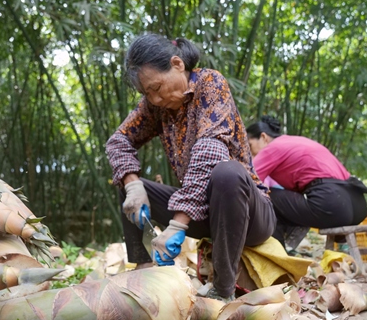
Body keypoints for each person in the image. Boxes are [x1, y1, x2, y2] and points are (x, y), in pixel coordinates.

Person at [105, 33, 276, 303]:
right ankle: (144, 273)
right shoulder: (155, 106)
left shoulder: (211, 83)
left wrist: (177, 224)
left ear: (177, 64)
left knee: (227, 173)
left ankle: (223, 290)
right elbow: (118, 141)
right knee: (128, 187)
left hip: (248, 212)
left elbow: (210, 151)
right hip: (203, 211)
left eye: (157, 88)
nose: (155, 99)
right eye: (147, 93)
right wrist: (133, 185)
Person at [246, 115, 367, 249]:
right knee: (286, 202)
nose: (248, 151)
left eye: (249, 145)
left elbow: (247, 180)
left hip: (333, 204)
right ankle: (286, 249)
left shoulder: (272, 148)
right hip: (357, 205)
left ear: (263, 137)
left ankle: (277, 255)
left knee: (267, 198)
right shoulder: (296, 141)